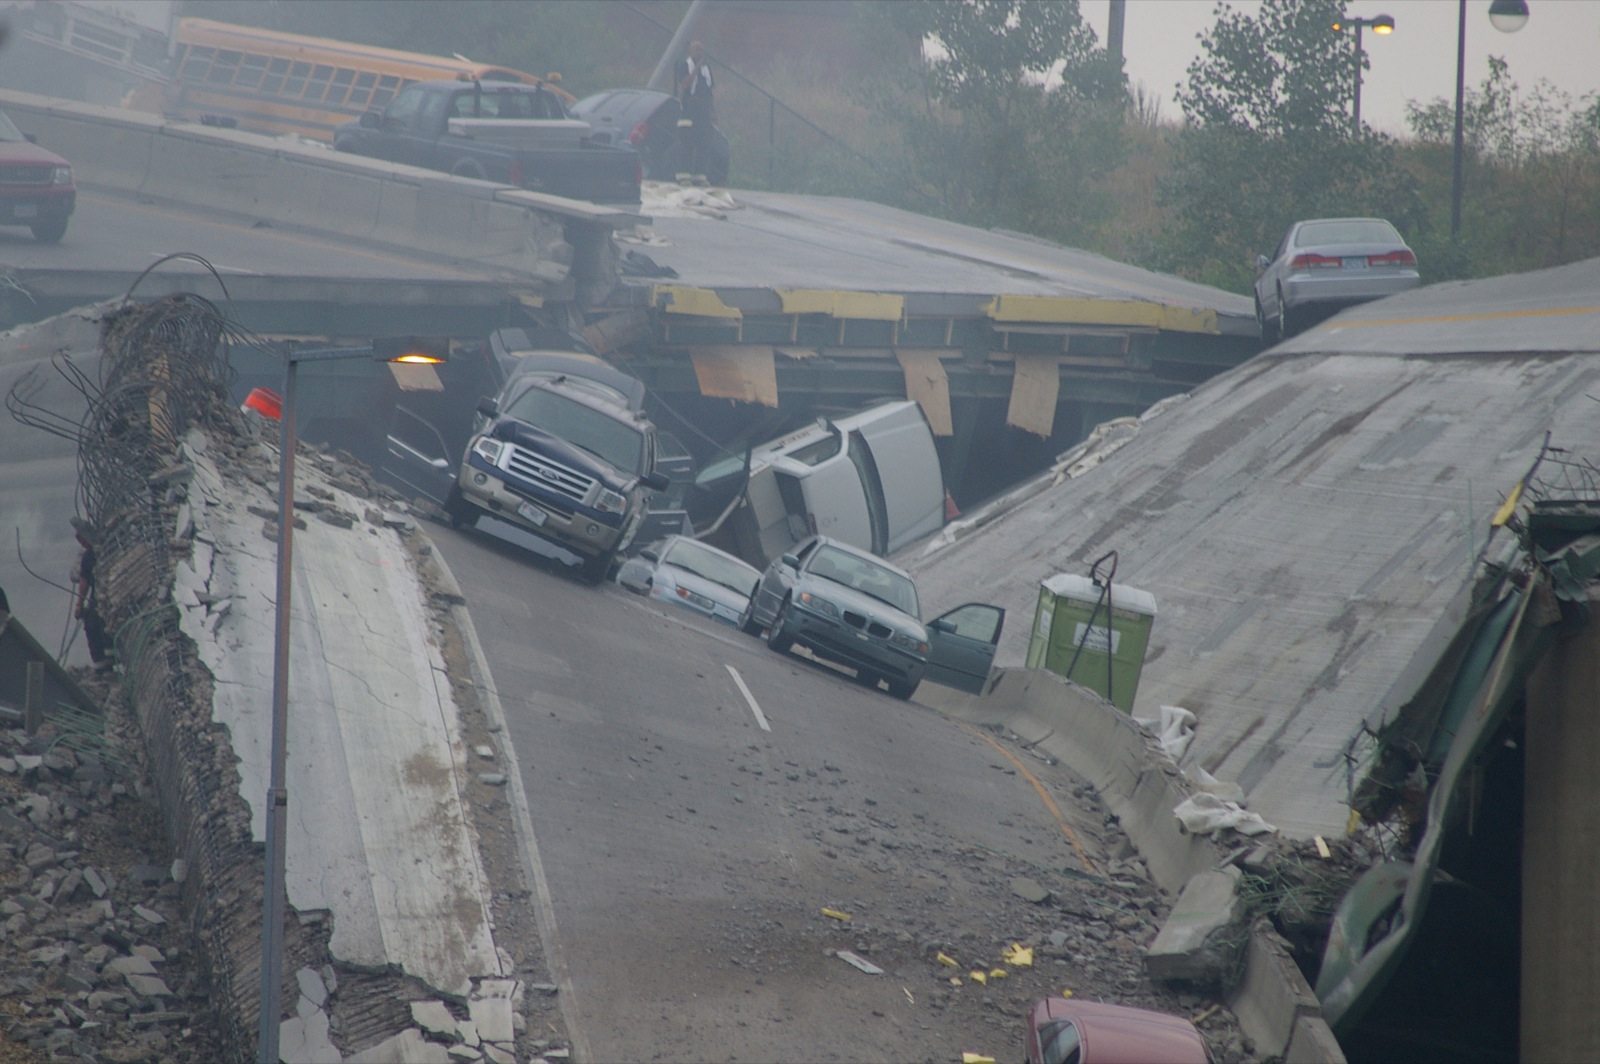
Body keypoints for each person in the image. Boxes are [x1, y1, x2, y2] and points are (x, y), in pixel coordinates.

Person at [71, 518, 111, 668]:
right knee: (92, 623)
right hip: (97, 597)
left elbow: (85, 582)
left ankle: (109, 660)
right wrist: (80, 604)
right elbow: (84, 580)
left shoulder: (104, 551)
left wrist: (80, 604)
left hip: (109, 595)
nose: (81, 544)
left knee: (102, 625)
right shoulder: (88, 556)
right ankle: (101, 663)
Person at [676, 40, 715, 184]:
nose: (699, 52)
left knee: (703, 142)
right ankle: (683, 175)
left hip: (703, 110)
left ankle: (699, 176)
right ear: (690, 51)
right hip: (689, 109)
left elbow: (710, 92)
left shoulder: (707, 70)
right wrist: (697, 68)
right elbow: (685, 85)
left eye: (701, 50)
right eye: (696, 49)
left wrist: (713, 112)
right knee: (687, 142)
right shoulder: (684, 66)